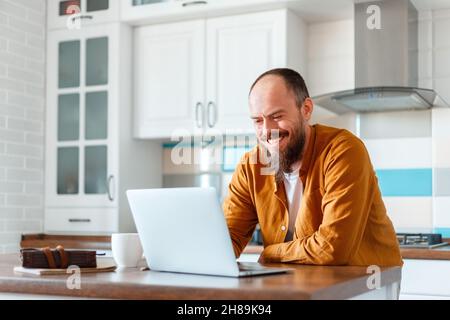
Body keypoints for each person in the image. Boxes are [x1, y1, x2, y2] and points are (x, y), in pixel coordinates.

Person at [223, 68, 403, 266]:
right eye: (258, 120)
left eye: (276, 116)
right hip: (299, 283)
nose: (267, 131)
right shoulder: (252, 166)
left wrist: (271, 253)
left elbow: (332, 247)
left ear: (306, 109)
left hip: (366, 285)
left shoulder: (343, 151)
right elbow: (224, 240)